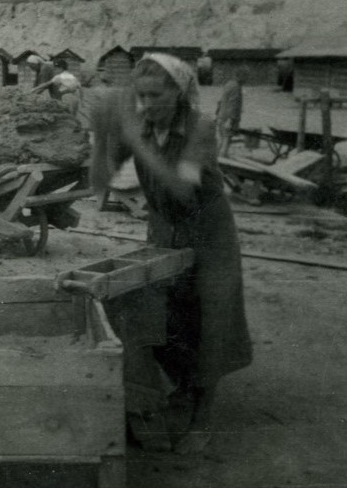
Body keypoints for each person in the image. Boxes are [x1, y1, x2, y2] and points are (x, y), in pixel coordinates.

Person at [88, 53, 252, 454]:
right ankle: (180, 388)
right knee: (164, 317)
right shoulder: (141, 126)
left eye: (155, 96)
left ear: (179, 94)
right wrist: (101, 139)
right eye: (139, 96)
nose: (145, 105)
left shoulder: (201, 128)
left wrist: (133, 140)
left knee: (211, 321)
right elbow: (101, 183)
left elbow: (183, 188)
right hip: (163, 230)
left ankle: (202, 419)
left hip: (208, 234)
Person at [215, 73, 244, 156]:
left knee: (221, 138)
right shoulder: (236, 87)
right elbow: (233, 104)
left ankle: (216, 158)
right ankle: (222, 158)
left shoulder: (228, 84)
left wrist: (217, 115)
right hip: (228, 118)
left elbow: (220, 101)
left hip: (221, 116)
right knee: (226, 139)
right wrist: (230, 120)